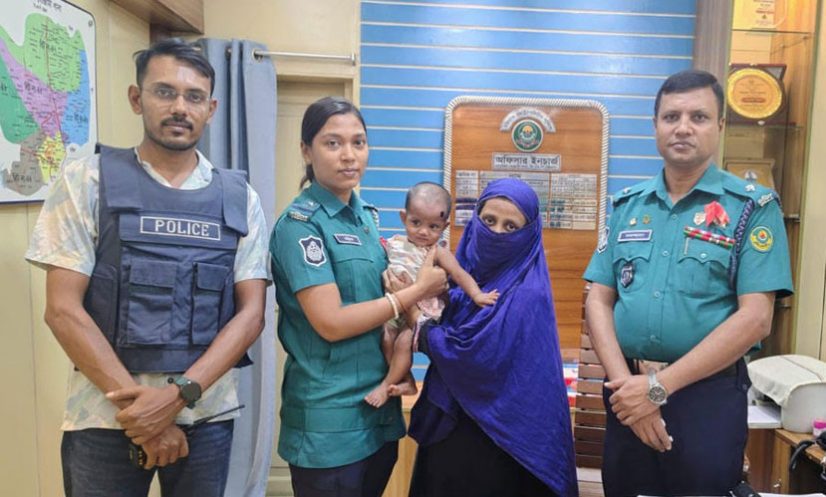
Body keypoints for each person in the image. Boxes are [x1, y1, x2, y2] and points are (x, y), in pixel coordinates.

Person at [25, 38, 269, 497]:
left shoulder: (240, 199)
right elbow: (62, 310)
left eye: (194, 97)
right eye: (164, 92)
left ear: (211, 109)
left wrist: (176, 398)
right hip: (106, 414)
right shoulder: (87, 181)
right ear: (137, 98)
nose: (180, 107)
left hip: (205, 413)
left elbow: (251, 314)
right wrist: (144, 415)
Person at [583, 69, 793, 496]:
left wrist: (657, 389)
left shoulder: (752, 208)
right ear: (655, 125)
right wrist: (629, 388)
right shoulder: (628, 205)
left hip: (705, 397)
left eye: (698, 117)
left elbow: (756, 319)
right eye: (671, 117)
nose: (682, 128)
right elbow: (598, 300)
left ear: (720, 125)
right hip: (626, 393)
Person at [269, 96, 448, 497]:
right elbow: (331, 322)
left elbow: (382, 297)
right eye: (333, 143)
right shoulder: (300, 226)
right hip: (330, 420)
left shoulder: (366, 217)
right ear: (306, 151)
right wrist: (417, 291)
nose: (349, 155)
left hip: (378, 411)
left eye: (359, 142)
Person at [393, 178, 577, 497]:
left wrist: (413, 317)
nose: (496, 233)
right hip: (454, 428)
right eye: (489, 220)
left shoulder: (528, 293)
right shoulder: (462, 271)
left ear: (528, 234)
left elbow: (472, 356)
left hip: (503, 441)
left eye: (511, 226)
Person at [364, 181, 499, 408]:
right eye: (416, 222)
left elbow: (459, 274)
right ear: (403, 217)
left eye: (433, 226)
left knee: (403, 343)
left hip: (422, 310)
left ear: (444, 226)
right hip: (394, 307)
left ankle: (386, 385)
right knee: (386, 338)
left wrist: (477, 295)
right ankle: (406, 380)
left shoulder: (437, 252)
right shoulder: (394, 243)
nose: (424, 232)